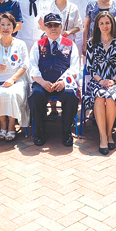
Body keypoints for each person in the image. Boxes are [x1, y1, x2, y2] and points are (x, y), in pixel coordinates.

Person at [29, 13, 80, 147]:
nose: (53, 28)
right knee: (36, 95)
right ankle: (39, 131)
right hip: (43, 82)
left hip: (63, 83)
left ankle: (66, 131)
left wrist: (64, 81)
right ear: (45, 27)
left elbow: (75, 68)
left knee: (70, 95)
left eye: (56, 25)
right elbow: (32, 67)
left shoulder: (70, 44)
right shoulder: (38, 45)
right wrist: (42, 82)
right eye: (49, 25)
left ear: (61, 26)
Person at [85, 11, 116, 155]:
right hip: (97, 81)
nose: (105, 26)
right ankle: (103, 137)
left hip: (115, 81)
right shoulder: (91, 42)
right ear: (97, 25)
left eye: (107, 23)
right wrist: (101, 80)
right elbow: (90, 67)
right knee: (99, 96)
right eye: (102, 23)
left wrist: (113, 80)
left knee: (110, 97)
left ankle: (109, 133)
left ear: (112, 24)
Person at [0, 13, 30, 141]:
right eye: (2, 25)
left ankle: (11, 125)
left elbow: (25, 64)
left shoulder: (20, 44)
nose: (5, 28)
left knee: (11, 94)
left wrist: (13, 79)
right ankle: (3, 124)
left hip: (17, 78)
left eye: (9, 25)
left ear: (13, 27)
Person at [40, 0, 82, 117]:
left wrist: (69, 32)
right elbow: (41, 25)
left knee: (67, 72)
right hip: (51, 43)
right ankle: (52, 108)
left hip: (68, 46)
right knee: (52, 70)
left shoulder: (73, 7)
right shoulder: (47, 6)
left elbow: (79, 26)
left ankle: (67, 107)